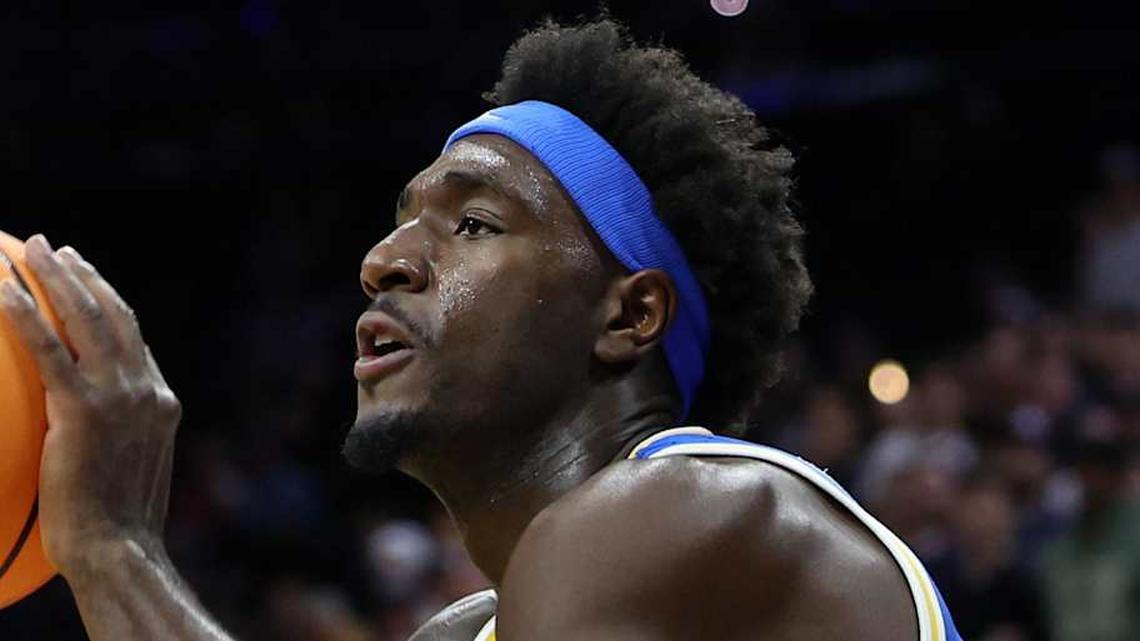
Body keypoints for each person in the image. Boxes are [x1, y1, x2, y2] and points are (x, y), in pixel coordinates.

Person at [0, 18, 964, 641]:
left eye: (473, 224)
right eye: (401, 217)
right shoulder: (466, 632)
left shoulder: (691, 510)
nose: (384, 259)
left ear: (629, 315)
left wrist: (117, 547)